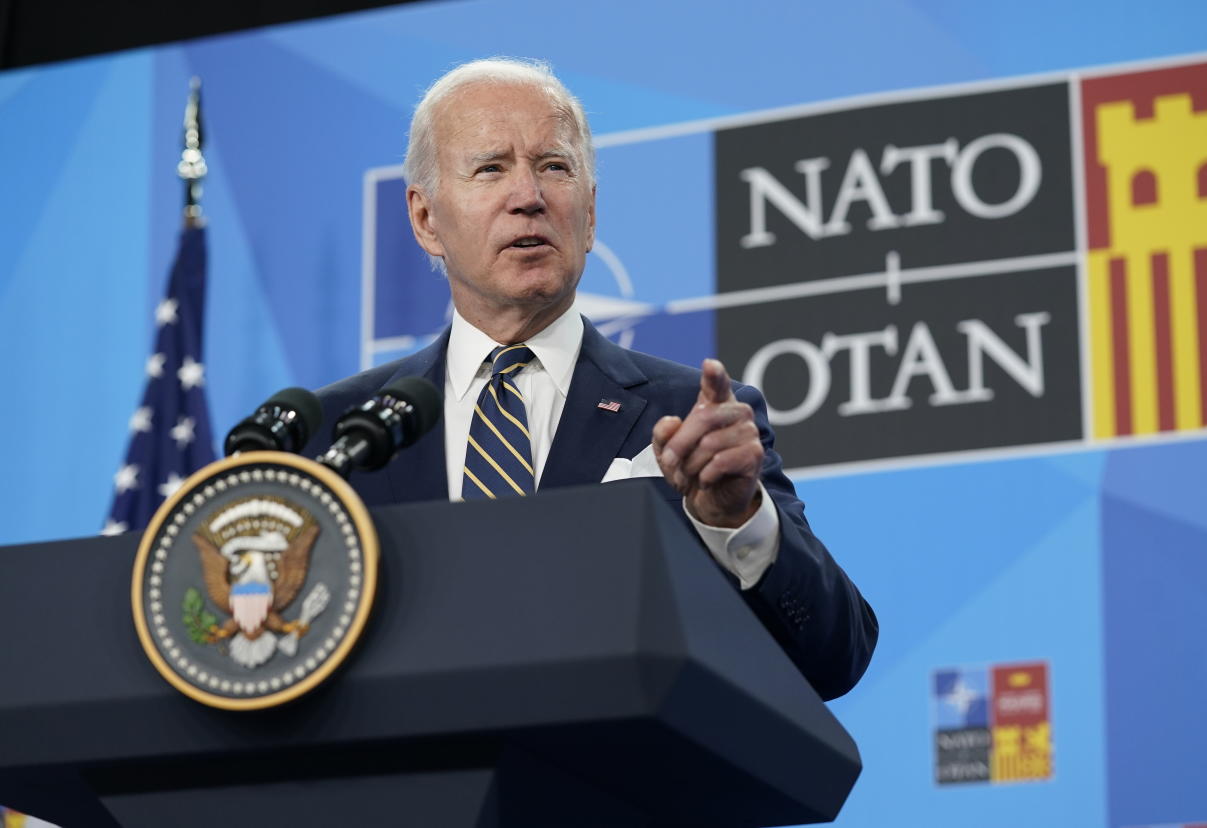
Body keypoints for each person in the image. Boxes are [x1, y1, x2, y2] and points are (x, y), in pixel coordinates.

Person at [309, 57, 877, 701]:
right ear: (426, 220)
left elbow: (837, 655)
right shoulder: (338, 437)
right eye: (491, 167)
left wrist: (739, 520)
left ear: (590, 214)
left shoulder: (693, 417)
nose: (529, 195)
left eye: (554, 166)